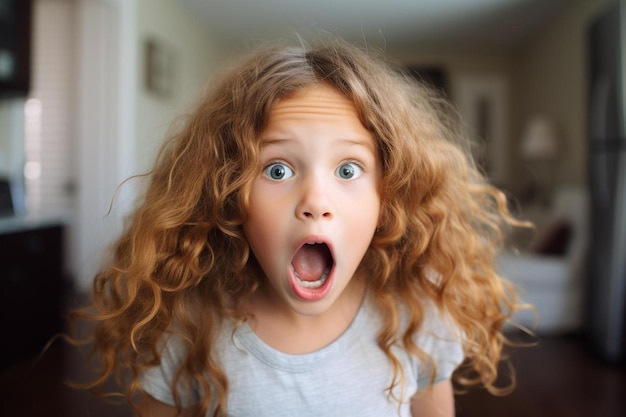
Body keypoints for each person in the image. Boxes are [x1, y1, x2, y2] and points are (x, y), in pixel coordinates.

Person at [70, 38, 527, 417]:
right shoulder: (190, 326)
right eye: (278, 170)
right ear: (229, 193)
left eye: (348, 171)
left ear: (388, 197)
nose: (315, 202)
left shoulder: (415, 315)